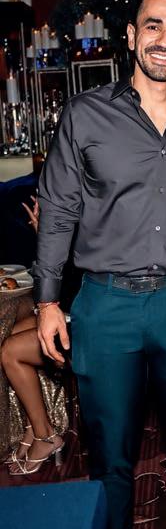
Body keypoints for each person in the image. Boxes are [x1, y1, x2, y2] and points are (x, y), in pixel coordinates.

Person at [33, 0, 166, 529]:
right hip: (105, 306)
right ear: (133, 36)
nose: (165, 39)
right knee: (109, 455)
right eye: (154, 26)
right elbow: (57, 209)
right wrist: (46, 301)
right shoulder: (86, 114)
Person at [1, 197, 66, 475]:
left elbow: (70, 280)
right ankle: (33, 424)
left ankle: (47, 437)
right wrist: (43, 236)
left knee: (10, 351)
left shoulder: (90, 226)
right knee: (8, 334)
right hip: (64, 311)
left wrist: (48, 237)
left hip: (83, 321)